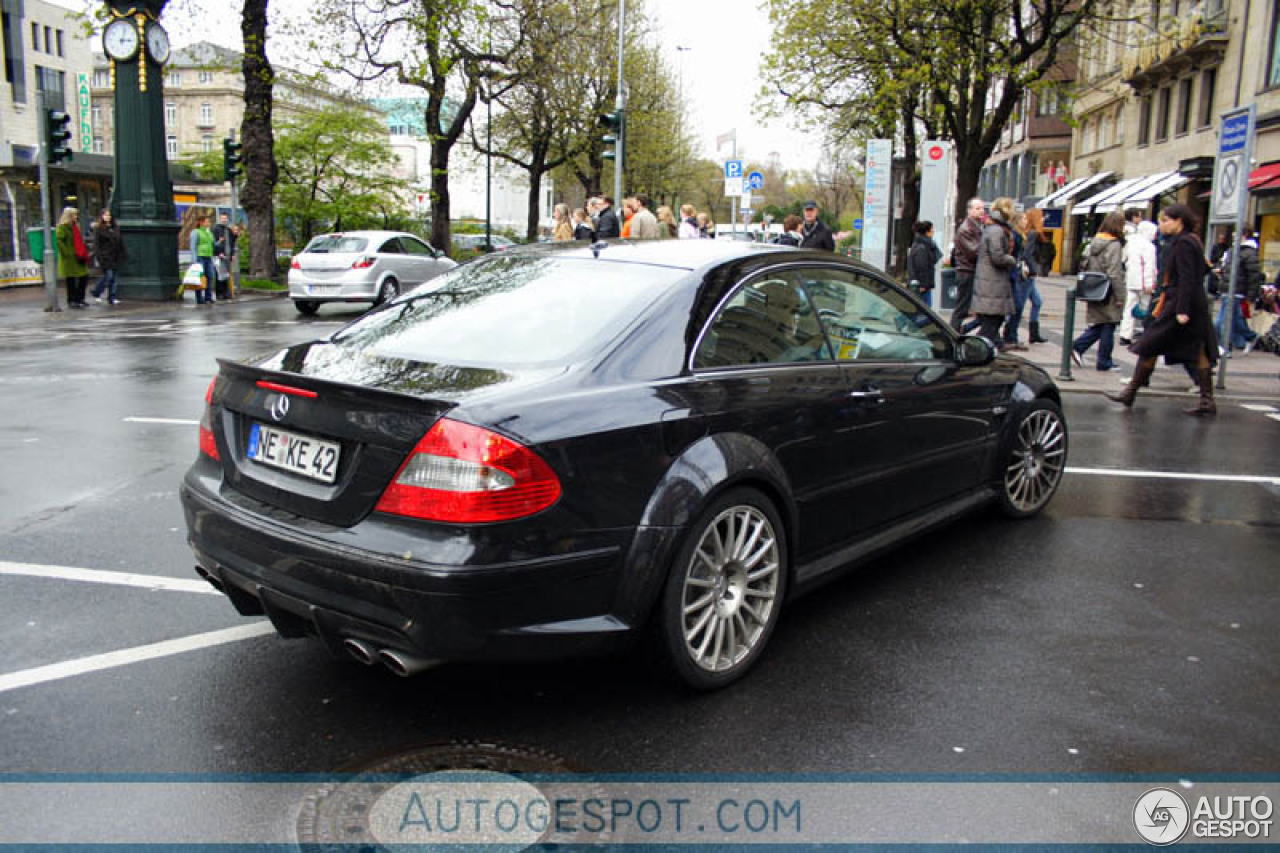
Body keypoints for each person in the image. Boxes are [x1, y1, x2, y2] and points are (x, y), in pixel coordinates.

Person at [1107, 203, 1219, 415]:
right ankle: (1207, 400)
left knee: (1152, 343)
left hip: (1180, 303)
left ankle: (1130, 393)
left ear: (1179, 221)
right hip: (1189, 302)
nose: (1162, 225)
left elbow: (1187, 277)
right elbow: (1201, 271)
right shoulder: (1190, 240)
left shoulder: (1184, 243)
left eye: (1166, 220)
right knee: (1196, 349)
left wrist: (1182, 309)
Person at [1070, 211, 1126, 371]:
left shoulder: (1095, 241)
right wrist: (1120, 296)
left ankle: (1079, 347)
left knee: (1102, 323)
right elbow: (1114, 271)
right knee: (1109, 323)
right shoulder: (1113, 244)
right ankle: (1102, 360)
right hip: (1108, 290)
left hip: (1094, 287)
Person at [972, 197, 1017, 346]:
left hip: (991, 282)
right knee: (991, 324)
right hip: (992, 283)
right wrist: (1012, 260)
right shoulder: (997, 231)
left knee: (993, 323)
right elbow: (997, 257)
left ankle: (989, 348)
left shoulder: (993, 228)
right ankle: (974, 349)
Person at [1216, 230, 1262, 354]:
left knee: (1223, 322)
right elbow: (1229, 269)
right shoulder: (1232, 251)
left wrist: (1251, 296)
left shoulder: (1248, 252)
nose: (1234, 237)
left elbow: (1254, 275)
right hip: (1228, 289)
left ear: (1244, 235)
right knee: (1234, 320)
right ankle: (1251, 336)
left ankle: (1226, 347)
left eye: (1236, 235)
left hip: (1237, 291)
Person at [1119, 219, 1158, 345]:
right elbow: (1149, 266)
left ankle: (1125, 334)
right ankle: (1146, 333)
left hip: (1131, 280)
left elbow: (1123, 259)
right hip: (1143, 282)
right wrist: (1149, 283)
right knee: (1145, 308)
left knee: (1129, 308)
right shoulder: (1149, 246)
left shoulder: (1130, 242)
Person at [950, 197, 986, 331]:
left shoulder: (977, 226)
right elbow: (973, 252)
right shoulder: (966, 229)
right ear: (969, 210)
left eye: (982, 208)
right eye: (977, 208)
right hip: (966, 272)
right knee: (962, 308)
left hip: (971, 271)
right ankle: (953, 333)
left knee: (973, 307)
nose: (981, 211)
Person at [1001, 212, 1031, 350]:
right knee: (1016, 305)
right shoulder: (1015, 236)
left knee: (1017, 305)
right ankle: (1010, 335)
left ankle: (1011, 335)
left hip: (1016, 274)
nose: (1026, 221)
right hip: (1013, 274)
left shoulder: (1020, 236)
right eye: (1024, 218)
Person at [1021, 208, 1050, 343]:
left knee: (1037, 302)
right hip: (1028, 275)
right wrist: (1033, 269)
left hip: (1029, 274)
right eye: (1041, 217)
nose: (1043, 220)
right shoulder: (1032, 234)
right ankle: (1011, 331)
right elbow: (1027, 253)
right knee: (1020, 304)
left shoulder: (1029, 233)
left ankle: (1034, 333)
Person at [89, 209, 126, 306]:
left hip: (115, 256)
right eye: (105, 215)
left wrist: (122, 253)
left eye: (109, 215)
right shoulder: (99, 229)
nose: (107, 217)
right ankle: (97, 291)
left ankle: (111, 297)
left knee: (113, 277)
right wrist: (99, 256)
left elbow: (119, 242)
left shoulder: (115, 228)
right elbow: (97, 244)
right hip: (105, 256)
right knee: (108, 276)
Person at [56, 207, 90, 309]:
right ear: (69, 216)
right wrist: (66, 253)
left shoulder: (76, 226)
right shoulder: (62, 227)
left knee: (84, 277)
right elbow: (59, 241)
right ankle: (72, 300)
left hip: (79, 256)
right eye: (75, 215)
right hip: (70, 258)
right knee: (71, 279)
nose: (76, 216)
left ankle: (80, 298)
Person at [906, 220, 941, 307]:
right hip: (922, 286)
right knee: (924, 308)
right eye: (932, 230)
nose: (933, 232)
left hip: (924, 285)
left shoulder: (924, 245)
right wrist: (922, 285)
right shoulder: (922, 247)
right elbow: (922, 267)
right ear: (927, 232)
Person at [189, 214, 216, 305]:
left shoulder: (209, 233)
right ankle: (199, 298)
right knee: (200, 278)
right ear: (201, 222)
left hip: (208, 257)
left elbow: (213, 244)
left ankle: (208, 297)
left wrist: (219, 243)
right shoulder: (195, 232)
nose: (209, 223)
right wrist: (194, 260)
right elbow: (193, 246)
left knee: (210, 276)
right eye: (207, 221)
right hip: (200, 257)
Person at [212, 212, 236, 300]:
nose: (224, 220)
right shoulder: (216, 229)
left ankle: (226, 292)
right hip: (219, 255)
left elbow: (232, 242)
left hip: (228, 254)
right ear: (220, 219)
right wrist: (218, 253)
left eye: (225, 218)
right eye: (222, 218)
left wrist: (232, 254)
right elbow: (214, 243)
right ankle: (219, 293)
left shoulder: (228, 230)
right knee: (219, 275)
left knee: (226, 275)